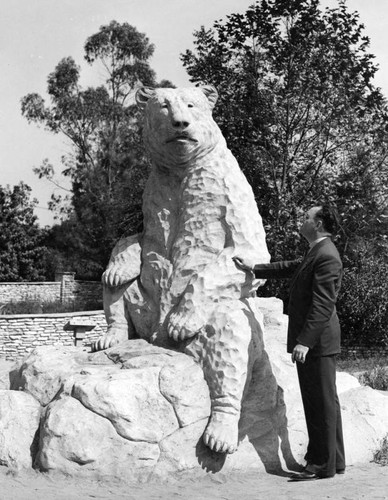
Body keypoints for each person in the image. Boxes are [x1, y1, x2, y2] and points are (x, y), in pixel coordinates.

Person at [233, 205, 345, 480]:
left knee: (319, 403)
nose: (301, 220)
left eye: (306, 217)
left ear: (318, 223)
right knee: (325, 401)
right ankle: (335, 460)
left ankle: (320, 465)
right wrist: (255, 268)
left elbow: (322, 304)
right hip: (318, 340)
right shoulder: (318, 250)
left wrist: (305, 342)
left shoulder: (327, 255)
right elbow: (292, 267)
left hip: (317, 341)